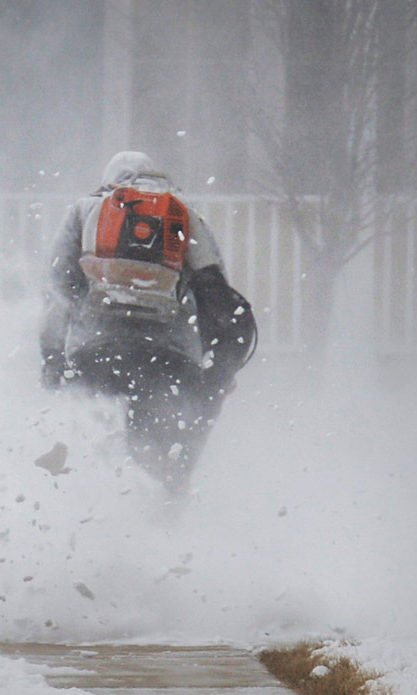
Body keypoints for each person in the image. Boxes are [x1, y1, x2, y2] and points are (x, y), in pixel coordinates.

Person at [39, 151, 255, 494]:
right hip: (169, 365)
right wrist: (217, 371)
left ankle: (94, 530)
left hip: (95, 358)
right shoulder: (183, 215)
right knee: (163, 466)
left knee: (91, 466)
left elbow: (59, 291)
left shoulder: (85, 210)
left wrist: (52, 359)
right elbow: (216, 296)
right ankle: (165, 529)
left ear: (111, 180)